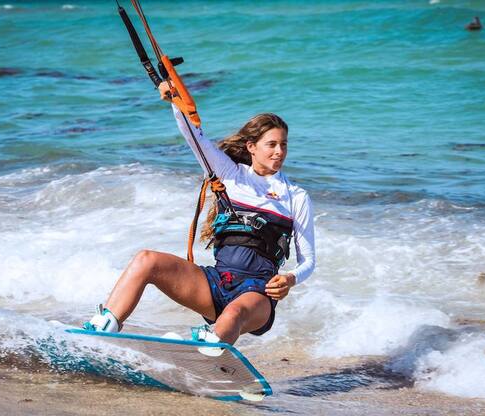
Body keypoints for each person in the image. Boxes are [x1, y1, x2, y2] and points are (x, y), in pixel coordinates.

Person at [84, 81, 315, 349]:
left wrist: (290, 278)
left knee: (233, 315)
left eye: (283, 145)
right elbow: (195, 136)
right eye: (272, 144)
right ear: (252, 147)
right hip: (216, 283)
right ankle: (103, 330)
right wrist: (175, 100)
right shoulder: (230, 175)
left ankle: (211, 352)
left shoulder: (296, 196)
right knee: (146, 260)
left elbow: (308, 260)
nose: (279, 152)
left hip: (257, 294)